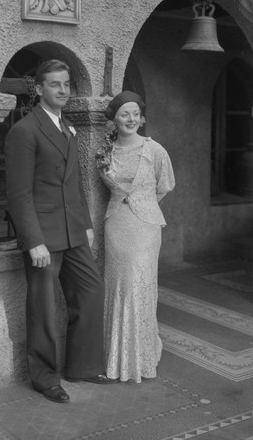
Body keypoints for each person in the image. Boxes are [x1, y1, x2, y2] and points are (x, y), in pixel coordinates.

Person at [5, 59, 118, 404]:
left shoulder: (68, 127)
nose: (63, 90)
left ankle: (82, 367)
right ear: (38, 90)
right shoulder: (24, 131)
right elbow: (19, 194)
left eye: (67, 84)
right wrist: (33, 241)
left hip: (72, 231)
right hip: (43, 236)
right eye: (55, 84)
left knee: (91, 289)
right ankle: (44, 378)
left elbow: (75, 184)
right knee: (42, 308)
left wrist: (85, 224)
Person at [96, 91, 175, 383]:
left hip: (145, 227)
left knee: (139, 286)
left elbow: (164, 186)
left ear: (142, 118)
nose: (131, 119)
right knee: (118, 286)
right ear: (114, 119)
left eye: (135, 114)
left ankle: (140, 358)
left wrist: (142, 203)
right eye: (124, 114)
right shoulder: (106, 152)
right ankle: (115, 358)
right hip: (116, 224)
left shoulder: (155, 151)